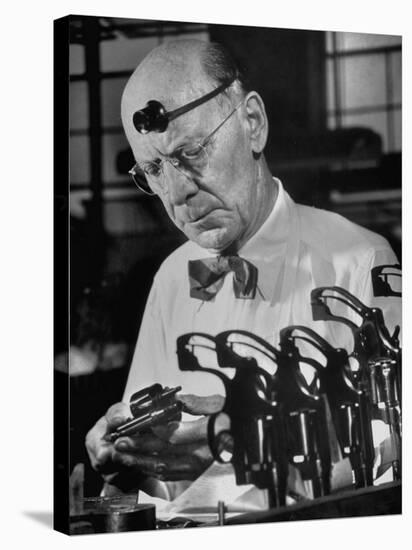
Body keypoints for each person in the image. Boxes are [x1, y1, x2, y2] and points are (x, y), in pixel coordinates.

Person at [86, 39, 400, 505]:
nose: (175, 195)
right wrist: (131, 462)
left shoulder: (360, 262)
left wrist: (247, 447)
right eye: (153, 170)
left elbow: (395, 457)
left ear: (252, 124)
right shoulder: (174, 277)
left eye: (190, 152)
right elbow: (163, 487)